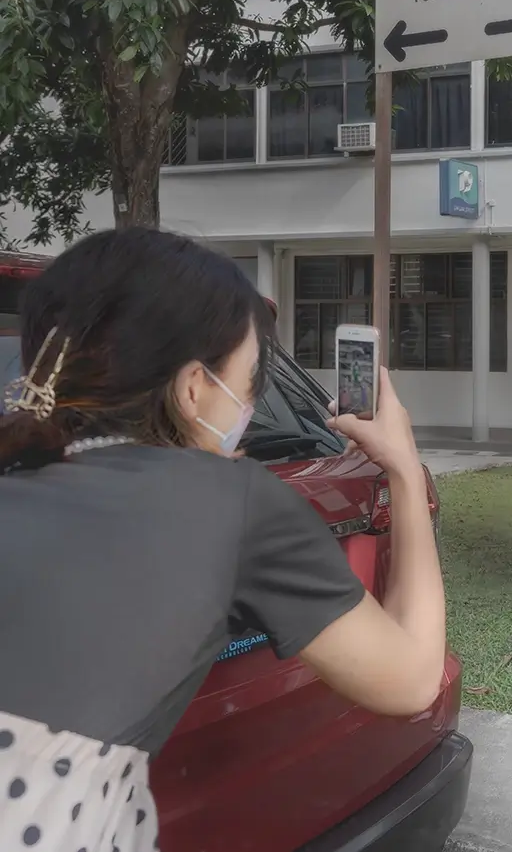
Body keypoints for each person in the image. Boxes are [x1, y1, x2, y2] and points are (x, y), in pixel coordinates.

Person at [0, 228, 445, 850]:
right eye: (251, 379)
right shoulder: (228, 500)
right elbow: (413, 681)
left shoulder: (23, 472)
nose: (252, 401)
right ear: (192, 389)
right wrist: (402, 465)